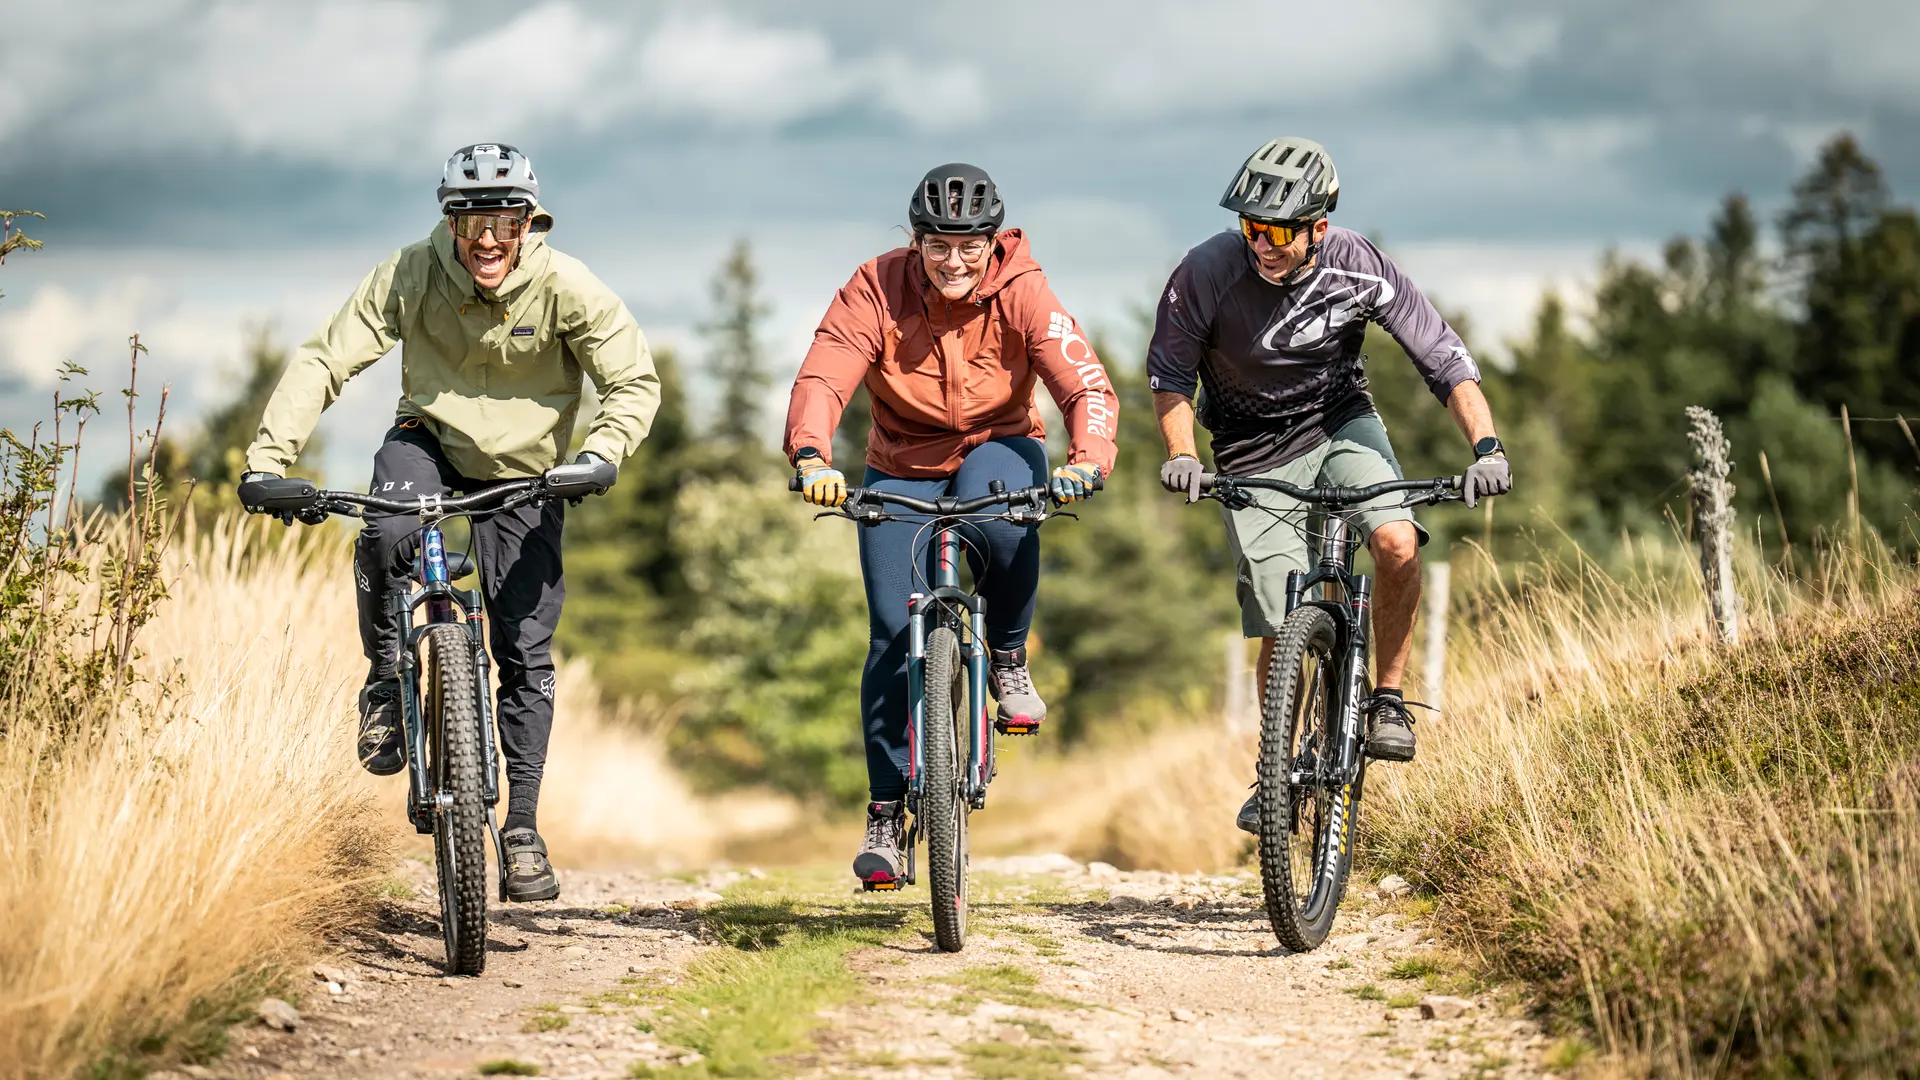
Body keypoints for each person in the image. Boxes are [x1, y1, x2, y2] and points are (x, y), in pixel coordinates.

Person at [239, 143, 661, 900]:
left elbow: (632, 379)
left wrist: (602, 453)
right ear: (449, 221)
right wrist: (268, 461)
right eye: (471, 221)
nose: (488, 239)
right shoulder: (412, 273)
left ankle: (522, 828)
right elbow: (326, 358)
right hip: (427, 442)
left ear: (530, 221)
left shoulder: (567, 286)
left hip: (529, 469)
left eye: (505, 221)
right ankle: (385, 680)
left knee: (524, 648)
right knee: (385, 530)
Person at [1146, 137, 1510, 832]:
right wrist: (1183, 454)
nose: (1263, 244)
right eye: (1253, 227)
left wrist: (1487, 448)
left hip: (1340, 423)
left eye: (1280, 231)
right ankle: (1275, 772)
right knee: (1282, 615)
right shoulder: (1205, 271)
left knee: (1397, 542)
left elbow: (1442, 357)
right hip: (1249, 448)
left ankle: (1387, 701)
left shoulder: (1357, 264)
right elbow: (1170, 376)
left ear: (1318, 226)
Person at [784, 163, 1119, 886]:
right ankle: (885, 812)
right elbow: (824, 374)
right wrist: (811, 455)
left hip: (999, 443)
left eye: (969, 246)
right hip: (901, 461)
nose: (954, 261)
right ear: (916, 242)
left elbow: (1083, 382)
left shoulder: (1023, 288)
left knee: (1004, 520)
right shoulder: (876, 286)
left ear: (992, 243)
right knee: (889, 633)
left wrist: (1088, 458)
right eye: (938, 245)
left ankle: (1008, 656)